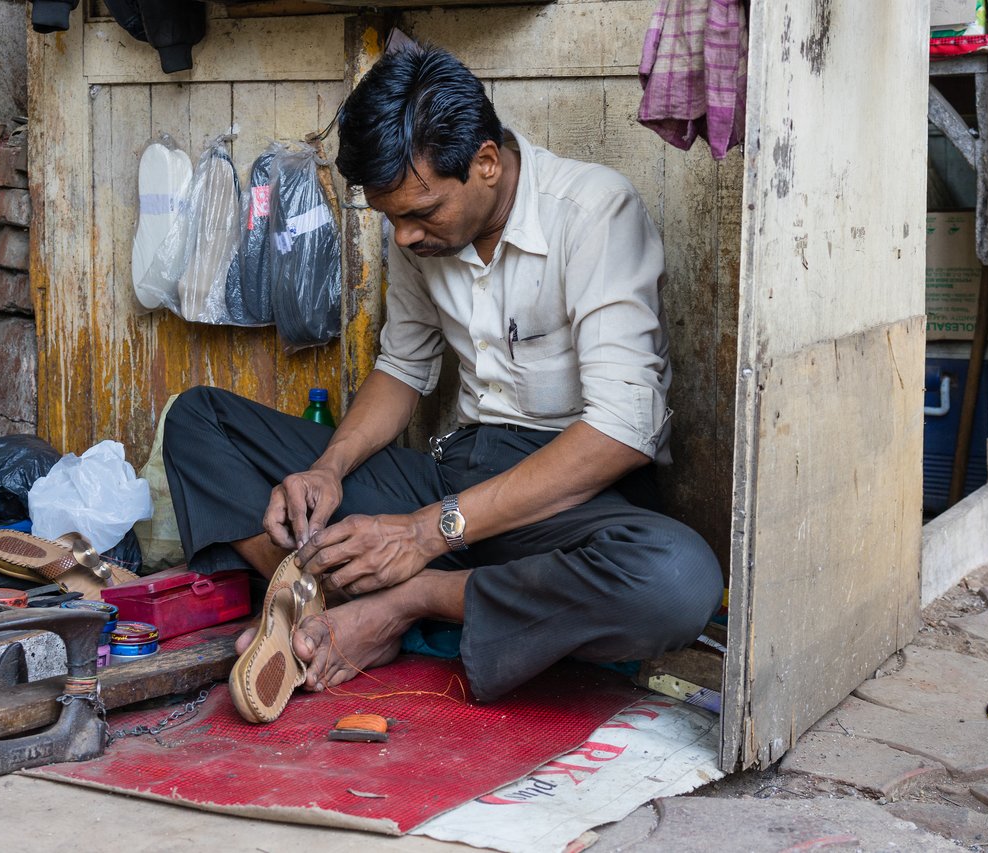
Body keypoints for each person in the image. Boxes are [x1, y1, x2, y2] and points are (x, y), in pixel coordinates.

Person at [162, 44, 723, 705]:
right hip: (453, 476)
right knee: (199, 421)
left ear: (486, 163)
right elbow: (403, 366)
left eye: (420, 214)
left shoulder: (595, 213)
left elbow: (620, 432)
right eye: (392, 217)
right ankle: (318, 593)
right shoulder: (420, 234)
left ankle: (404, 603)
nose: (404, 236)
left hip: (568, 505)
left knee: (678, 577)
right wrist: (331, 467)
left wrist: (423, 537)